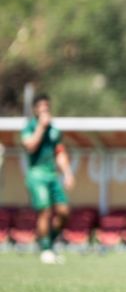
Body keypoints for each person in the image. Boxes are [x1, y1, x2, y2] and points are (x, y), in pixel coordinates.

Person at [21, 94, 75, 264]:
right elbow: (30, 147)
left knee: (64, 212)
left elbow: (59, 152)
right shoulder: (29, 127)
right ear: (35, 110)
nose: (45, 111)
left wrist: (67, 173)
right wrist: (41, 128)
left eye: (47, 108)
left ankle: (49, 242)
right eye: (41, 108)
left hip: (53, 175)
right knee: (45, 211)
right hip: (36, 174)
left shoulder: (54, 130)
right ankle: (45, 250)